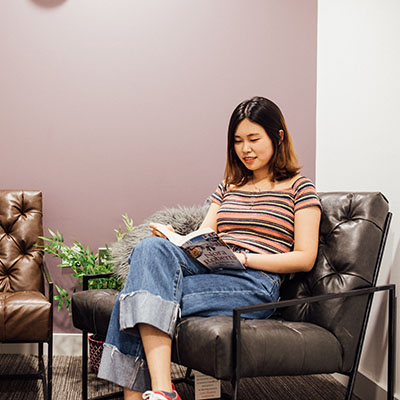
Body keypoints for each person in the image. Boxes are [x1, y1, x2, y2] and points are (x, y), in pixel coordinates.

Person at [97, 96, 322, 400]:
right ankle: (163, 392)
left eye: (254, 139)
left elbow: (305, 258)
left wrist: (245, 258)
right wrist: (176, 240)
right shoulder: (228, 185)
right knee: (150, 249)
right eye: (238, 141)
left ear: (278, 136)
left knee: (137, 297)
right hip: (214, 268)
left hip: (255, 283)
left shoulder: (300, 188)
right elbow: (205, 232)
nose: (246, 149)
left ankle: (152, 395)